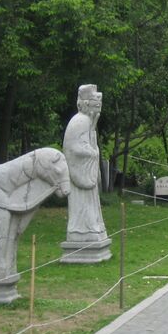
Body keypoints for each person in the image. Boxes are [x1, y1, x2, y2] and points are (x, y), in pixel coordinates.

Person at [63, 84, 108, 242]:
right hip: (80, 172)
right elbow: (73, 149)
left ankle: (92, 228)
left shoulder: (89, 123)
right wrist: (92, 152)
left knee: (90, 205)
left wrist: (92, 151)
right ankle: (82, 231)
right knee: (82, 206)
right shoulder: (80, 121)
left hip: (87, 172)